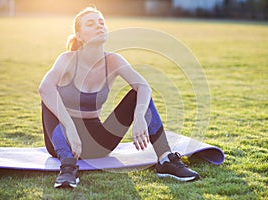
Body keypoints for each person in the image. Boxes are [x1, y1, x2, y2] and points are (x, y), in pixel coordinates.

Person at [39, 6, 199, 188]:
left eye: (101, 22)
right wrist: (69, 126)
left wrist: (138, 117)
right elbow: (44, 88)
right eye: (90, 24)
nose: (99, 26)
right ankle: (68, 167)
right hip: (63, 142)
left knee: (138, 93)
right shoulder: (67, 59)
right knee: (49, 96)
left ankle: (165, 159)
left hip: (98, 144)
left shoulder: (113, 61)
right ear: (80, 35)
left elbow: (144, 86)